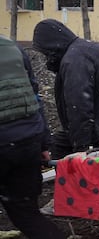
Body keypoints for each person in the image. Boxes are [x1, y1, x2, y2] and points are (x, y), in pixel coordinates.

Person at [32, 19, 99, 160]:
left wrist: (81, 147)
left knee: (64, 152)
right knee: (59, 144)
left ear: (51, 46)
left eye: (46, 53)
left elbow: (78, 105)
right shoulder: (82, 49)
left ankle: (74, 180)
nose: (47, 58)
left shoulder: (75, 60)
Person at [0, 35, 66, 238]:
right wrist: (44, 143)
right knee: (27, 214)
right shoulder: (11, 47)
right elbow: (34, 95)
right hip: (28, 140)